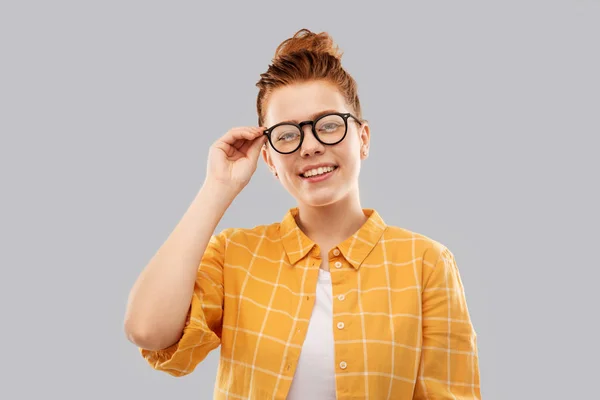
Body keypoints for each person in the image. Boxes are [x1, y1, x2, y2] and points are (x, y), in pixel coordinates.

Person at [124, 28, 481, 399]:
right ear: (269, 160)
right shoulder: (235, 255)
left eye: (328, 125)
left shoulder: (427, 263)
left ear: (363, 138)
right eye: (287, 134)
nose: (309, 146)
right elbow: (147, 330)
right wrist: (218, 187)